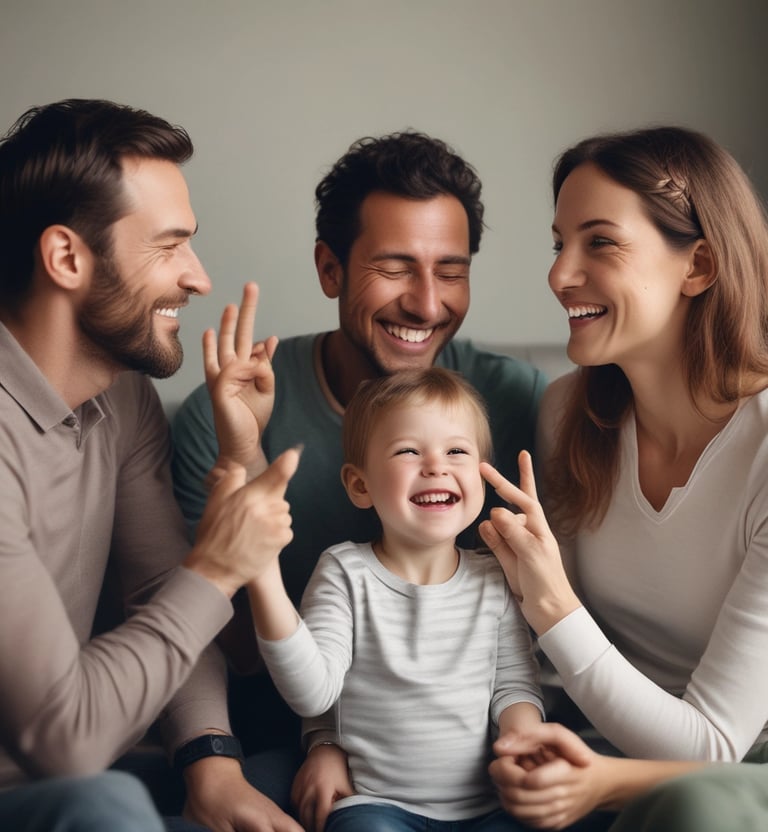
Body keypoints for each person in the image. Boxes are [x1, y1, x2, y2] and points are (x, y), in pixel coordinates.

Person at [170, 130, 548, 814]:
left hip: (470, 765)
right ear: (329, 268)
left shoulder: (516, 403)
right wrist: (245, 455)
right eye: (396, 266)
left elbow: (536, 636)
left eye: (451, 269)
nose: (429, 304)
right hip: (280, 739)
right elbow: (237, 653)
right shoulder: (223, 411)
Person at [0, 98, 304, 832]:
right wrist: (222, 565)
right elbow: (66, 742)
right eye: (170, 247)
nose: (198, 279)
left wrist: (212, 763)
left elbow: (158, 590)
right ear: (67, 258)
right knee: (108, 803)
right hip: (58, 774)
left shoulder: (121, 393)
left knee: (297, 769)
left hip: (91, 760)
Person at [476, 126, 768, 831]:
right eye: (559, 243)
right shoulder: (567, 412)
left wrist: (550, 601)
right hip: (601, 744)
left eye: (599, 242)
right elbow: (551, 671)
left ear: (698, 265)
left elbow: (717, 747)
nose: (558, 274)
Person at [248, 367, 543, 831]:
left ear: (482, 481)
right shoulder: (345, 572)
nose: (436, 466)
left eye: (457, 451)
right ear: (360, 485)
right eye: (408, 450)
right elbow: (313, 693)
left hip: (488, 806)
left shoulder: (496, 576)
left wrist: (523, 736)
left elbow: (513, 688)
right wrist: (262, 576)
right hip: (376, 805)